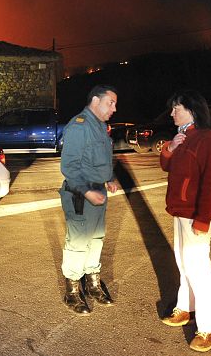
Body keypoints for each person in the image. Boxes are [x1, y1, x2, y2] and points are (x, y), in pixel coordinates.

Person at [159, 90, 211, 352]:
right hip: (180, 211)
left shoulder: (208, 139)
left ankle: (209, 327)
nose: (172, 113)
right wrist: (170, 149)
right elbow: (167, 166)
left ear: (192, 110)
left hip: (197, 214)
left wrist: (203, 219)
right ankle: (185, 308)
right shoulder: (183, 136)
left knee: (198, 267)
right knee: (183, 262)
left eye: (176, 108)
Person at [59, 85, 121, 315]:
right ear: (95, 100)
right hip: (81, 195)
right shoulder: (80, 126)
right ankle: (72, 291)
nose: (114, 108)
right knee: (77, 243)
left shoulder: (100, 126)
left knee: (96, 239)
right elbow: (69, 167)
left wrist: (110, 178)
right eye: (110, 103)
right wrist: (86, 191)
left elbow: (102, 159)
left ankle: (92, 283)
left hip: (98, 193)